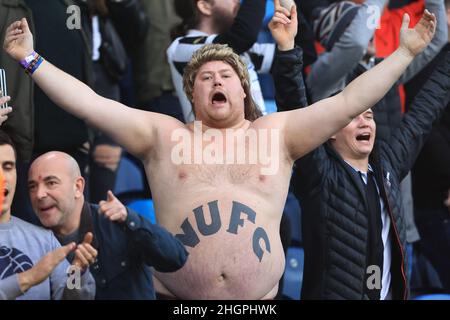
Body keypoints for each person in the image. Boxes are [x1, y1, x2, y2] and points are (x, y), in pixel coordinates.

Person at [3, 0, 437, 298]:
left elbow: (347, 102)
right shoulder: (163, 135)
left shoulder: (278, 133)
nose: (215, 81)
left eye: (225, 75)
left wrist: (405, 52)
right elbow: (91, 102)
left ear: (243, 89)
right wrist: (29, 58)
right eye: (204, 78)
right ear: (190, 96)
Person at [271, 5, 450, 299]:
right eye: (354, 116)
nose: (366, 120)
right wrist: (287, 49)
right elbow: (293, 109)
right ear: (328, 130)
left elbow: (424, 113)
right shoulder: (317, 172)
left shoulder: (388, 169)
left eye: (369, 115)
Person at [27, 151, 189, 299]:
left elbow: (175, 258)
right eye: (32, 186)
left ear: (77, 187)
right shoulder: (31, 244)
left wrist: (131, 219)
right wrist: (76, 272)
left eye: (51, 183)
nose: (39, 194)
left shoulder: (117, 221)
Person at [0, 130, 96, 300]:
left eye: (8, 167)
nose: (2, 177)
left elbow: (70, 297)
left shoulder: (45, 240)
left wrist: (76, 271)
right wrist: (27, 278)